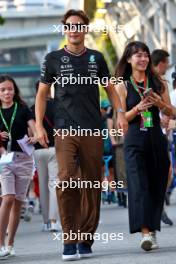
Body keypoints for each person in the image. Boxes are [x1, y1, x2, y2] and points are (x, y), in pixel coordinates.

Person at [35, 9, 128, 261]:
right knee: (65, 180)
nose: (74, 29)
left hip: (92, 130)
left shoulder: (96, 58)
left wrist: (120, 113)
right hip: (64, 130)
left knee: (91, 185)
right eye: (69, 25)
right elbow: (42, 94)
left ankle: (86, 238)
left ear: (85, 29)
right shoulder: (52, 59)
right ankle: (69, 239)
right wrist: (40, 126)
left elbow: (110, 89)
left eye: (79, 25)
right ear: (65, 29)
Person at [115, 41, 172, 251]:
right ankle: (145, 233)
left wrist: (159, 104)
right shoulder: (122, 86)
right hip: (134, 140)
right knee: (139, 185)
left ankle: (153, 228)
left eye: (145, 55)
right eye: (137, 55)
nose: (143, 59)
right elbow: (120, 121)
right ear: (129, 59)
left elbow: (172, 112)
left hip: (156, 138)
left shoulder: (159, 83)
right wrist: (138, 108)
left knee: (157, 185)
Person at [0, 74, 37, 259]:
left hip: (24, 159)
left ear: (15, 91)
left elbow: (35, 128)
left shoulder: (22, 109)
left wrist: (35, 136)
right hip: (4, 160)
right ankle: (0, 245)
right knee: (7, 198)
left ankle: (10, 243)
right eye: (3, 89)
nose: (7, 92)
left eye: (10, 89)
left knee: (18, 203)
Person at [31, 81, 60, 232]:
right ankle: (54, 221)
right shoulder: (58, 105)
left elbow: (29, 134)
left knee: (42, 186)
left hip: (38, 150)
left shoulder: (31, 109)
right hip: (55, 149)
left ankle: (46, 222)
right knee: (54, 184)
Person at [151, 49, 173, 226]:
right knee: (159, 171)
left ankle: (159, 206)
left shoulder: (163, 82)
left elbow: (169, 109)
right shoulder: (146, 80)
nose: (168, 65)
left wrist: (167, 115)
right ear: (161, 63)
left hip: (163, 134)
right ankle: (156, 208)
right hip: (150, 132)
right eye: (167, 62)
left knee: (167, 172)